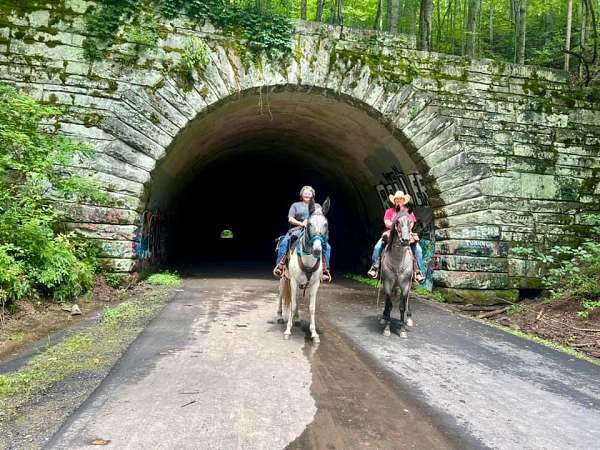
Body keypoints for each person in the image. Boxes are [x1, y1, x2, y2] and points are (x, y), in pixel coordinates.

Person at [273, 186, 332, 282]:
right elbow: (290, 219)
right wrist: (301, 223)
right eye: (305, 192)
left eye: (309, 192)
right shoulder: (295, 205)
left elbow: (320, 219)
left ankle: (325, 269)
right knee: (285, 241)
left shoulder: (317, 206)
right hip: (297, 229)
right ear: (301, 194)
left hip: (313, 231)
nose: (307, 194)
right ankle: (280, 264)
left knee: (327, 247)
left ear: (313, 195)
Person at [367, 190, 425, 283]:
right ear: (394, 201)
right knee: (377, 246)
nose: (398, 201)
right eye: (397, 199)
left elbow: (412, 223)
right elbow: (387, 223)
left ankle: (418, 272)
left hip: (406, 233)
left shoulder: (408, 211)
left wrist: (405, 228)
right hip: (392, 232)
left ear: (403, 200)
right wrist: (396, 225)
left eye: (400, 199)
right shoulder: (389, 211)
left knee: (419, 250)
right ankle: (375, 267)